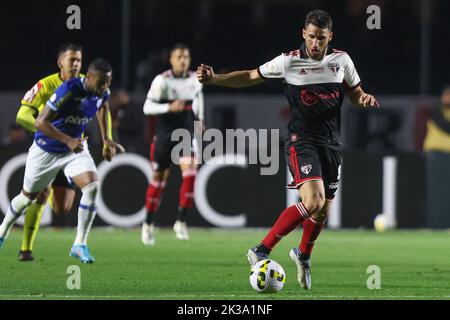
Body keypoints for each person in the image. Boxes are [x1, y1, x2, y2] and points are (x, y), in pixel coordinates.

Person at [197, 10, 379, 289]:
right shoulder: (288, 62)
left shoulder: (341, 61)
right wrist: (215, 80)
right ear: (303, 34)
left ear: (330, 36)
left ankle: (303, 255)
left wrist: (362, 99)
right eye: (311, 37)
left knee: (322, 211)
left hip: (331, 142)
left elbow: (355, 95)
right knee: (314, 202)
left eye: (321, 38)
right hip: (301, 140)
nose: (316, 43)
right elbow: (250, 76)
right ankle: (262, 249)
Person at [0, 59, 121, 264]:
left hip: (75, 150)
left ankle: (79, 244)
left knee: (92, 186)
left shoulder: (102, 92)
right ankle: (3, 231)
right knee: (27, 199)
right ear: (89, 78)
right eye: (101, 83)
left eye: (108, 83)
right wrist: (67, 140)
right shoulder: (69, 90)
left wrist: (107, 139)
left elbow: (103, 107)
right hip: (47, 150)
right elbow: (40, 122)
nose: (104, 88)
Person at [142, 43, 204, 245]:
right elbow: (147, 107)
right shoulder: (162, 81)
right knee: (159, 179)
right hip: (165, 132)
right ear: (171, 60)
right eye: (179, 56)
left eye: (186, 56)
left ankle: (181, 221)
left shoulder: (195, 78)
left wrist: (200, 120)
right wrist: (169, 106)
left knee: (191, 171)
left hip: (186, 131)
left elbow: (198, 97)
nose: (183, 60)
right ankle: (148, 224)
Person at [423, 85, 450, 153]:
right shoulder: (436, 109)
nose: (448, 97)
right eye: (447, 95)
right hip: (436, 150)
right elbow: (445, 126)